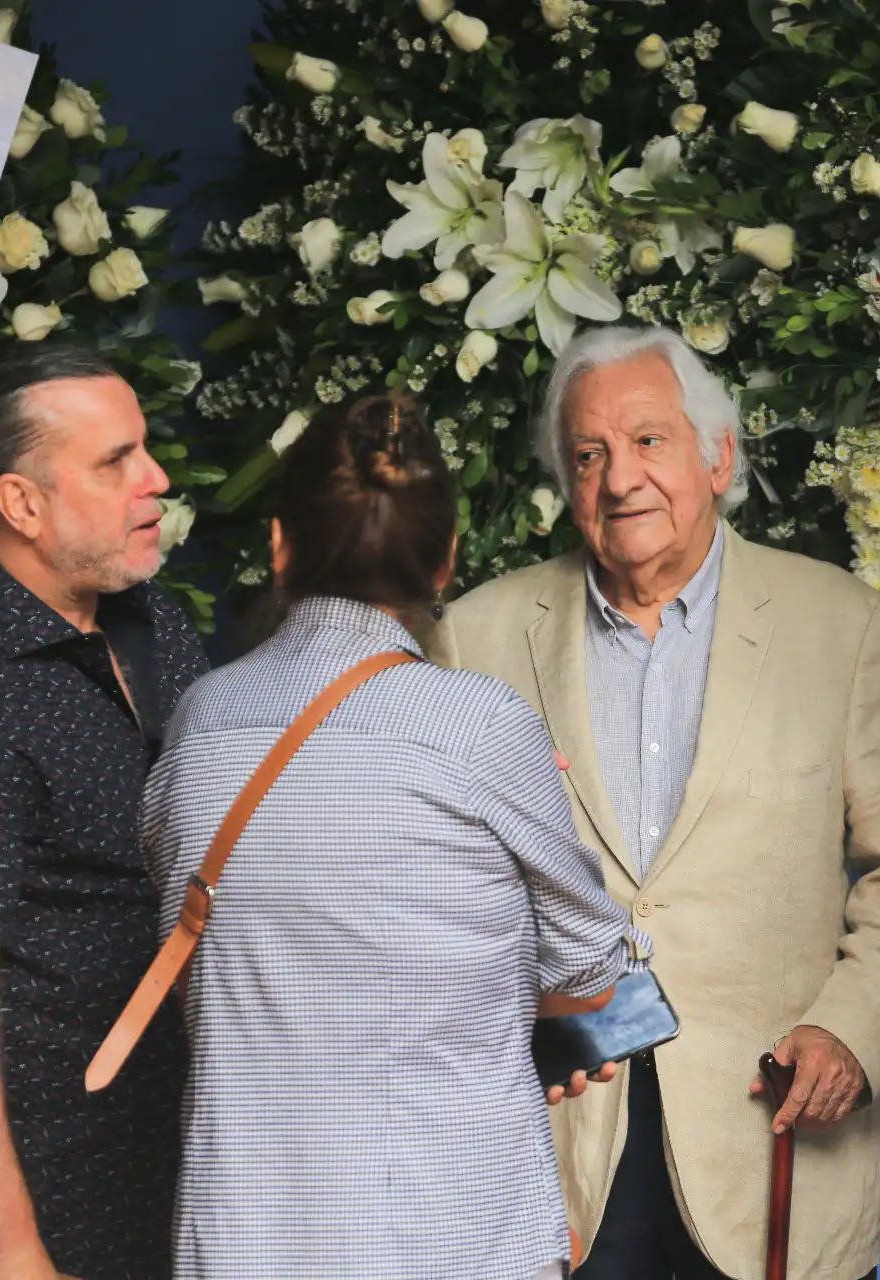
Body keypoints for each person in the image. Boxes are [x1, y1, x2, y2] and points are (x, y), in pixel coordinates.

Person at [432, 325, 880, 1280]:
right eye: (588, 454)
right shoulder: (476, 636)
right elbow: (439, 897)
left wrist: (853, 1027)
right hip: (560, 1142)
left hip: (774, 1137)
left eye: (647, 441)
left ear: (719, 457)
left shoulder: (843, 625)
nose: (619, 477)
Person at [141, 393, 643, 1280]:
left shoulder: (201, 719)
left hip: (245, 1235)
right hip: (449, 1230)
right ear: (446, 560)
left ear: (280, 547)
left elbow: (193, 967)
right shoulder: (480, 727)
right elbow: (591, 971)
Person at [0, 342, 206, 1280]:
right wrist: (14, 1250)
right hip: (57, 1188)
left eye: (144, 448)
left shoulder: (158, 624)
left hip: (196, 1155)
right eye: (116, 462)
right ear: (21, 504)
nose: (157, 479)